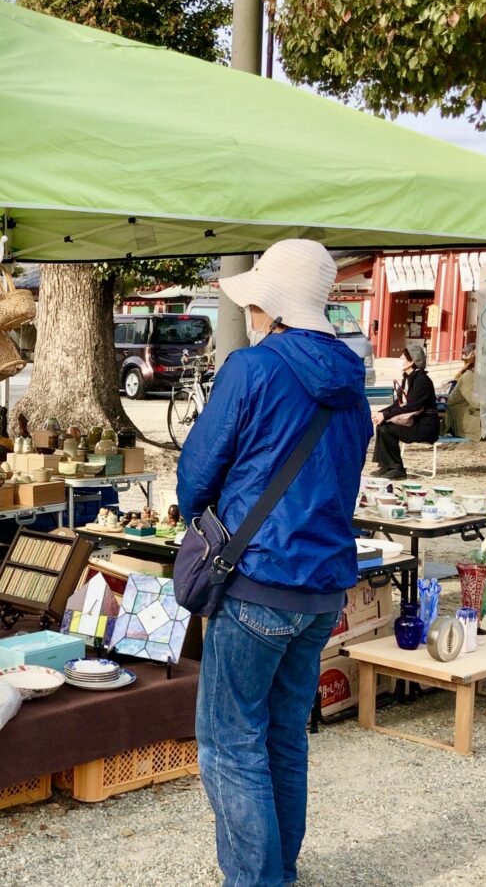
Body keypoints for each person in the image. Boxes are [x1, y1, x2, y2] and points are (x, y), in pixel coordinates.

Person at [177, 239, 371, 887]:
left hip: (257, 580)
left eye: (256, 301)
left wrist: (203, 511)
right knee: (285, 739)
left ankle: (259, 881)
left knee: (230, 746)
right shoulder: (353, 383)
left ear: (270, 306)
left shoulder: (251, 369)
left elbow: (196, 474)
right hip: (322, 591)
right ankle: (279, 872)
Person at [371, 344, 439, 480]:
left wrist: (385, 415)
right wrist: (382, 412)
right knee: (382, 426)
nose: (400, 361)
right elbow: (400, 402)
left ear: (412, 361)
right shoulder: (408, 378)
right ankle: (386, 465)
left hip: (425, 425)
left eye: (403, 358)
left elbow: (412, 406)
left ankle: (397, 468)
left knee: (387, 429)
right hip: (415, 422)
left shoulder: (422, 380)